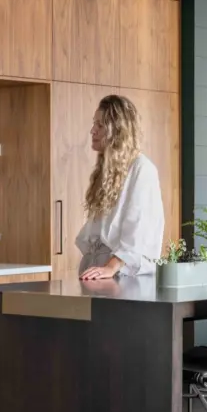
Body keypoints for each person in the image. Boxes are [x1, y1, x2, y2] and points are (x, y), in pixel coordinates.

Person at [77, 94, 164, 281]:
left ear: (117, 131)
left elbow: (138, 228)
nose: (93, 130)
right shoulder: (107, 170)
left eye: (100, 125)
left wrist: (111, 267)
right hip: (102, 271)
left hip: (125, 274)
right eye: (94, 124)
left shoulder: (142, 169)